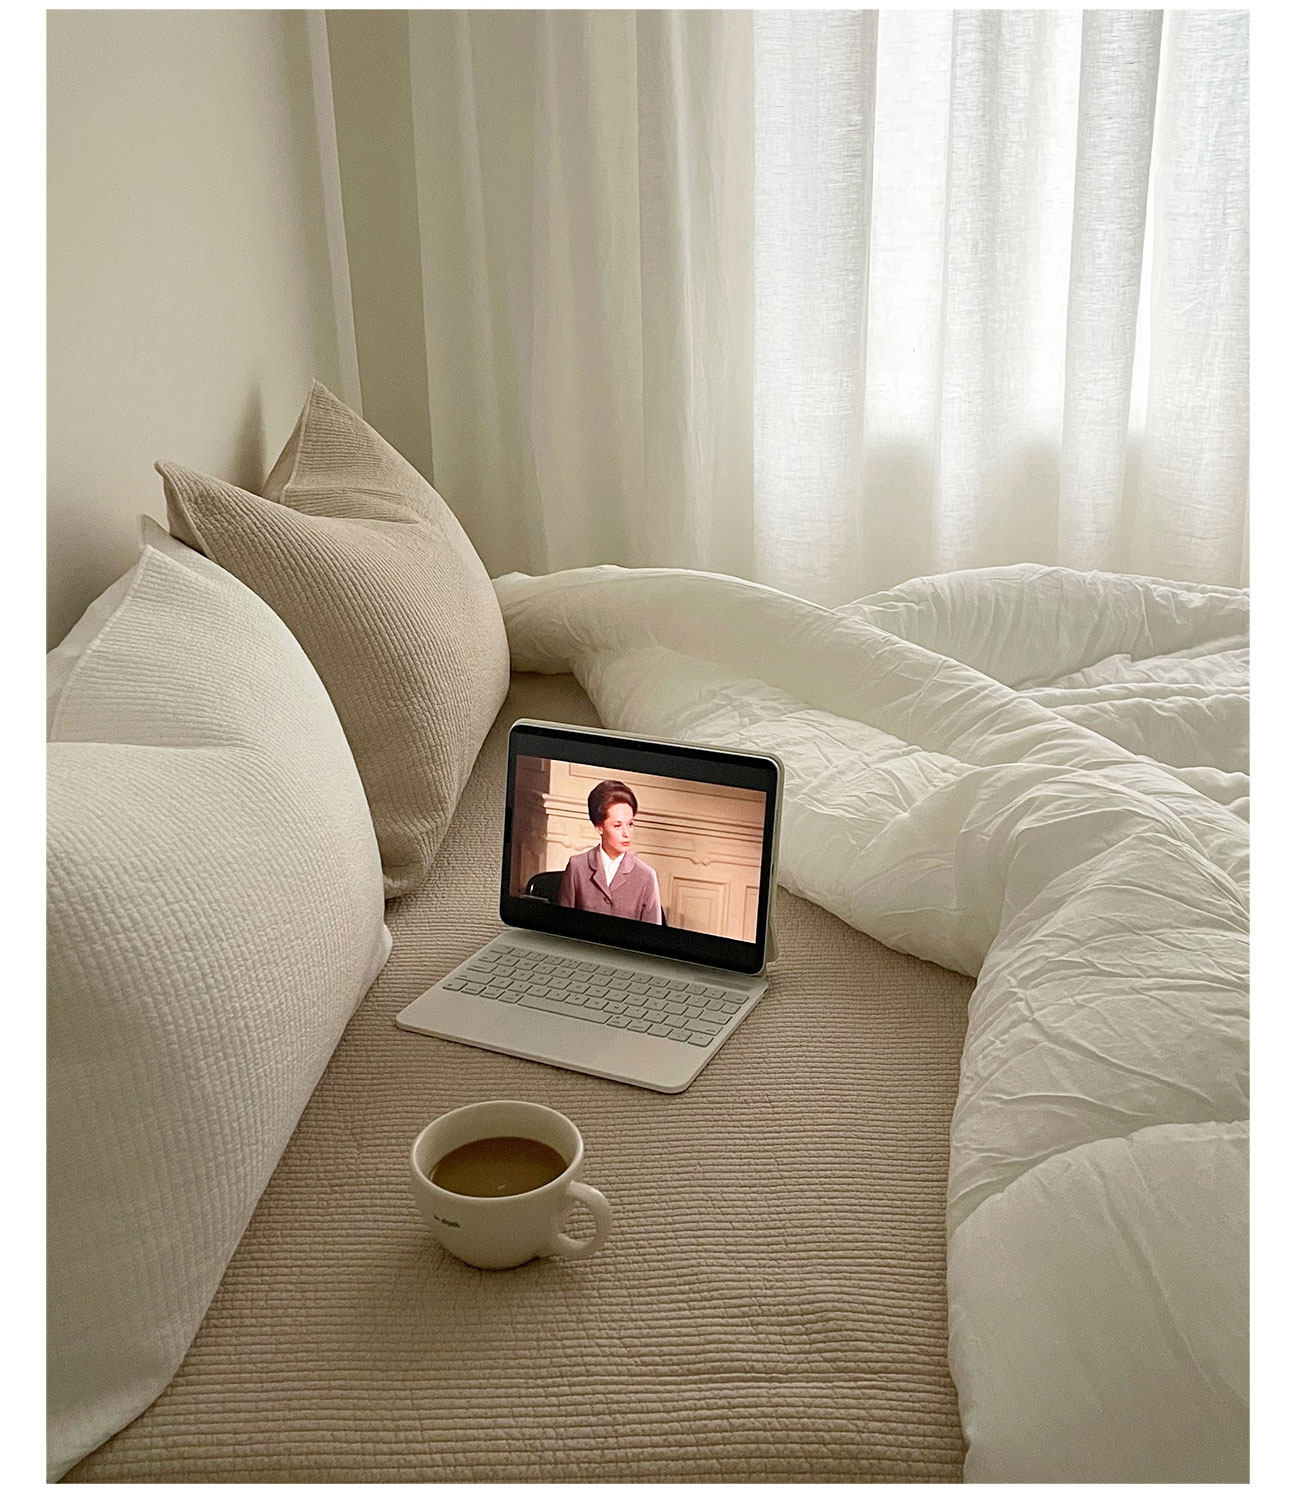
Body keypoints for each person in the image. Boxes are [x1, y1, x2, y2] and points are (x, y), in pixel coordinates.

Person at [557, 779, 662, 923]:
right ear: (599, 827)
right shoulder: (577, 867)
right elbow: (562, 926)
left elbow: (651, 934)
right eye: (618, 826)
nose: (627, 833)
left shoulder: (646, 876)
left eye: (630, 824)